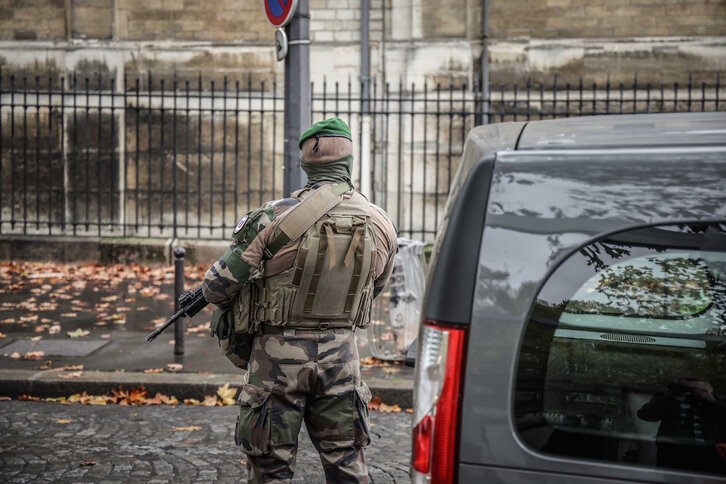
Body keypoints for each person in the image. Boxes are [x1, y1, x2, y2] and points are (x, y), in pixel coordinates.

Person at [202, 117, 398, 483]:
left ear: (306, 163)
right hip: (342, 359)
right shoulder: (381, 223)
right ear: (350, 163)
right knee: (348, 467)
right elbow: (377, 286)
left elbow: (217, 288)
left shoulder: (274, 218)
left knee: (270, 470)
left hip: (276, 363)